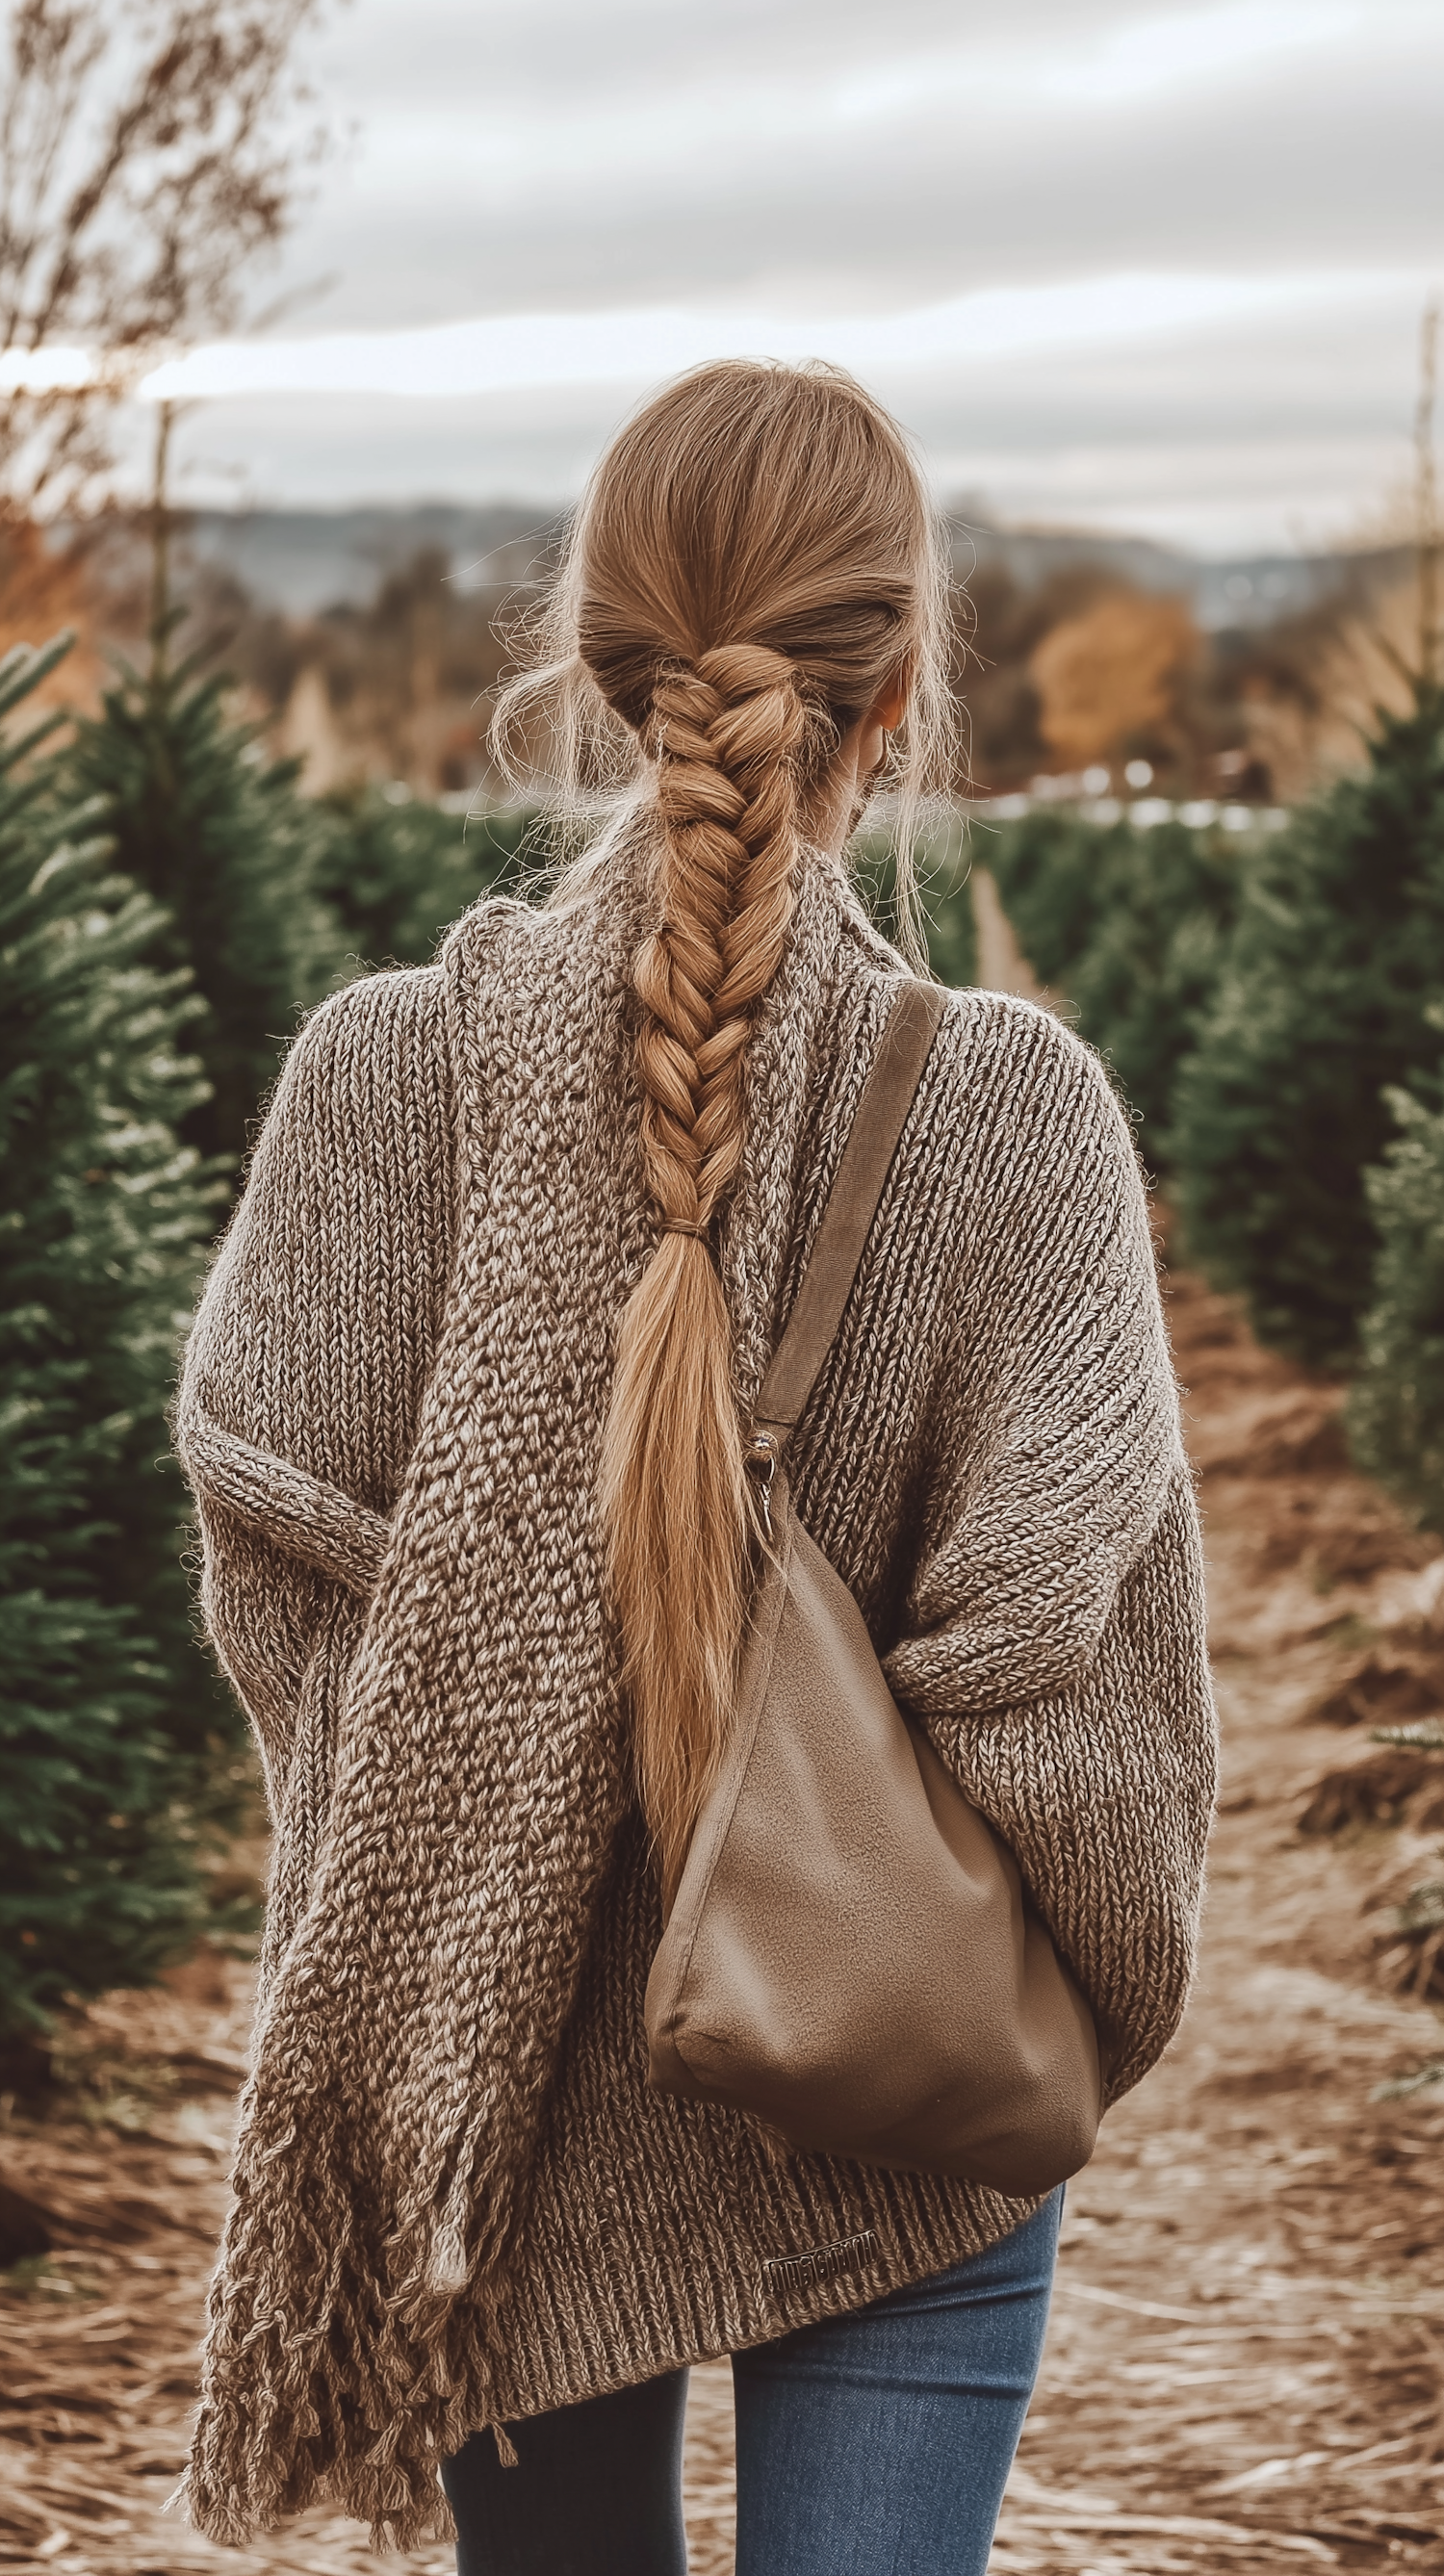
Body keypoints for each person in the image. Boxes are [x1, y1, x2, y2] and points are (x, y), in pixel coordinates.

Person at [175, 359, 1217, 2576]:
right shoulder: (1021, 1117)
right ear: (904, 690)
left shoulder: (381, 1077)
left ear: (597, 662)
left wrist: (485, 1904)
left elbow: (284, 1574)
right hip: (898, 2105)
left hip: (504, 2107)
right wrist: (1044, 1988)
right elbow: (1079, 1681)